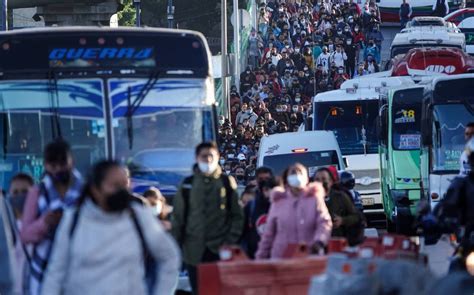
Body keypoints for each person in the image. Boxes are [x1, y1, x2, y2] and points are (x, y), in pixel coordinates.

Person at [42, 160, 180, 295]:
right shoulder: (73, 220)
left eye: (124, 185)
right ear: (95, 189)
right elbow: (55, 272)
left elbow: (169, 257)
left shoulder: (139, 216)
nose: (122, 191)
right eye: (114, 186)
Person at [171, 142, 244, 294]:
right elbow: (178, 218)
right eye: (204, 156)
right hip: (193, 252)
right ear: (197, 158)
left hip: (220, 250)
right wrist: (176, 246)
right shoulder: (187, 185)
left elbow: (237, 215)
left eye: (211, 156)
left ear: (218, 157)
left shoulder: (226, 182)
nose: (208, 160)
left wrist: (230, 240)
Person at [20, 140, 83, 295]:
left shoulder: (86, 191)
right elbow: (24, 235)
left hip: (80, 266)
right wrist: (44, 223)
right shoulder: (37, 192)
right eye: (53, 165)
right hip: (44, 268)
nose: (58, 169)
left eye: (63, 163)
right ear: (46, 165)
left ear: (71, 161)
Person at [255, 163, 332, 260]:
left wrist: (319, 241)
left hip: (310, 257)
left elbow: (324, 222)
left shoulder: (314, 199)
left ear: (306, 178)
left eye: (299, 172)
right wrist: (260, 258)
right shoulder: (278, 201)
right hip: (282, 259)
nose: (296, 176)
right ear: (287, 179)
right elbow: (269, 234)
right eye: (293, 173)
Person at [314, 167, 363, 246]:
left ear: (330, 181)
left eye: (324, 179)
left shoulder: (340, 197)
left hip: (340, 242)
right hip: (316, 243)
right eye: (317, 179)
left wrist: (342, 220)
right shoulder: (308, 200)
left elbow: (356, 217)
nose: (320, 182)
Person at [7, 173, 34, 295]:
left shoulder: (42, 227)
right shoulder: (4, 228)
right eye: (15, 192)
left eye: (24, 191)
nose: (20, 196)